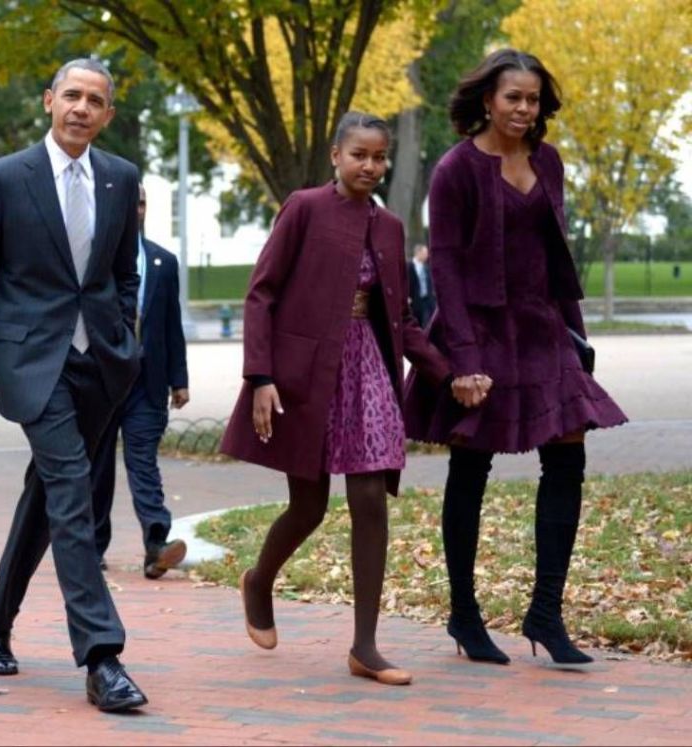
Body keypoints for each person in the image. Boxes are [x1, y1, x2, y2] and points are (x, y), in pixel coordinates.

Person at [0, 58, 148, 713]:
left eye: (95, 100)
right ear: (49, 100)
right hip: (33, 361)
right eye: (71, 95)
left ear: (107, 114)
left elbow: (123, 272)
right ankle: (102, 655)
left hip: (101, 364)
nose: (81, 107)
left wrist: (127, 342)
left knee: (48, 493)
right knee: (74, 493)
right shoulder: (4, 179)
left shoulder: (119, 177)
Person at [220, 112, 462, 687]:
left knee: (371, 498)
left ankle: (365, 647)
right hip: (306, 374)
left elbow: (401, 318)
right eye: (360, 155)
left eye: (380, 157)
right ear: (336, 155)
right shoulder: (304, 208)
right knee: (308, 507)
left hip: (368, 369)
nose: (371, 167)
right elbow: (261, 295)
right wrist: (260, 377)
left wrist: (447, 375)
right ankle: (259, 579)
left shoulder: (390, 226)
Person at [403, 49, 627, 667]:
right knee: (471, 468)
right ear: (487, 100)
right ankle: (464, 613)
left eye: (533, 99)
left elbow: (558, 255)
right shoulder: (455, 169)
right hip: (478, 331)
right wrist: (465, 362)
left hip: (543, 325)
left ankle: (546, 613)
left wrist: (578, 341)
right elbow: (444, 264)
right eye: (513, 98)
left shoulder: (548, 162)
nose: (524, 109)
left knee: (569, 455)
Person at [90, 185, 190, 578]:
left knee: (143, 462)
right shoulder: (94, 260)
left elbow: (171, 325)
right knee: (97, 469)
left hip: (147, 383)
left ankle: (156, 543)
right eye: (130, 203)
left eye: (143, 202)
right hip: (101, 380)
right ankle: (93, 547)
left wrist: (179, 380)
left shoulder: (163, 262)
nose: (137, 209)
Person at [407, 243, 436, 328]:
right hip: (415, 301)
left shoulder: (427, 268)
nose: (427, 255)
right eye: (425, 253)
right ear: (418, 253)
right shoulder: (409, 266)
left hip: (427, 301)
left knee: (427, 323)